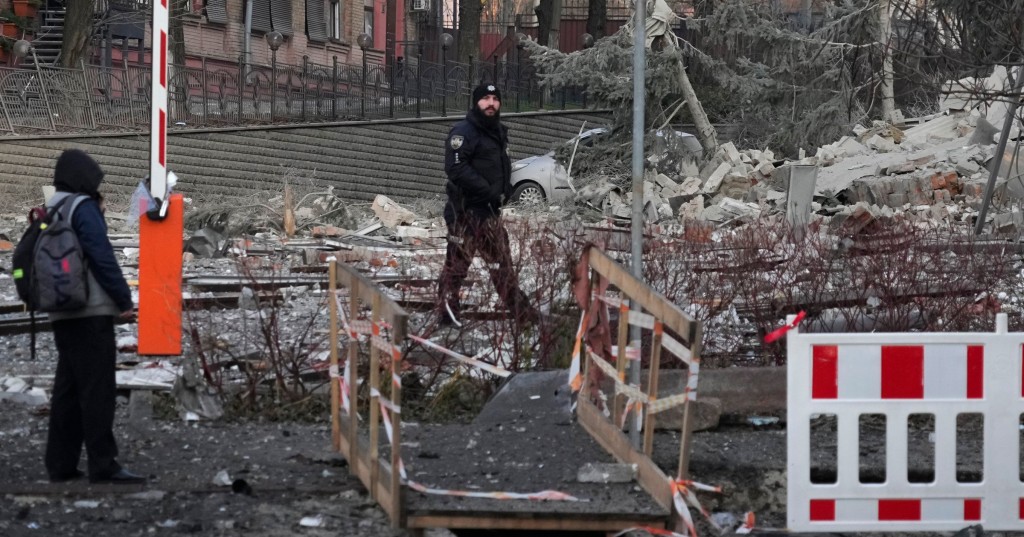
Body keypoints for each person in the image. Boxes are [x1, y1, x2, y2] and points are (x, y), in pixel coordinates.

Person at [44, 149, 145, 485]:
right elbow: (100, 254)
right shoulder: (82, 207)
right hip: (90, 309)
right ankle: (104, 464)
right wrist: (123, 297)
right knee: (97, 390)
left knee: (68, 390)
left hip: (62, 309)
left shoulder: (53, 206)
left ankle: (61, 464)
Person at [437, 82, 538, 327]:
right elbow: (456, 169)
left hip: (489, 213)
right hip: (465, 214)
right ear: (476, 103)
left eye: (495, 98)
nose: (491, 103)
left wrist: (504, 191)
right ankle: (447, 314)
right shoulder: (464, 132)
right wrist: (488, 189)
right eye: (485, 99)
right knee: (457, 267)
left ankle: (523, 315)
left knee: (501, 266)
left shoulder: (497, 132)